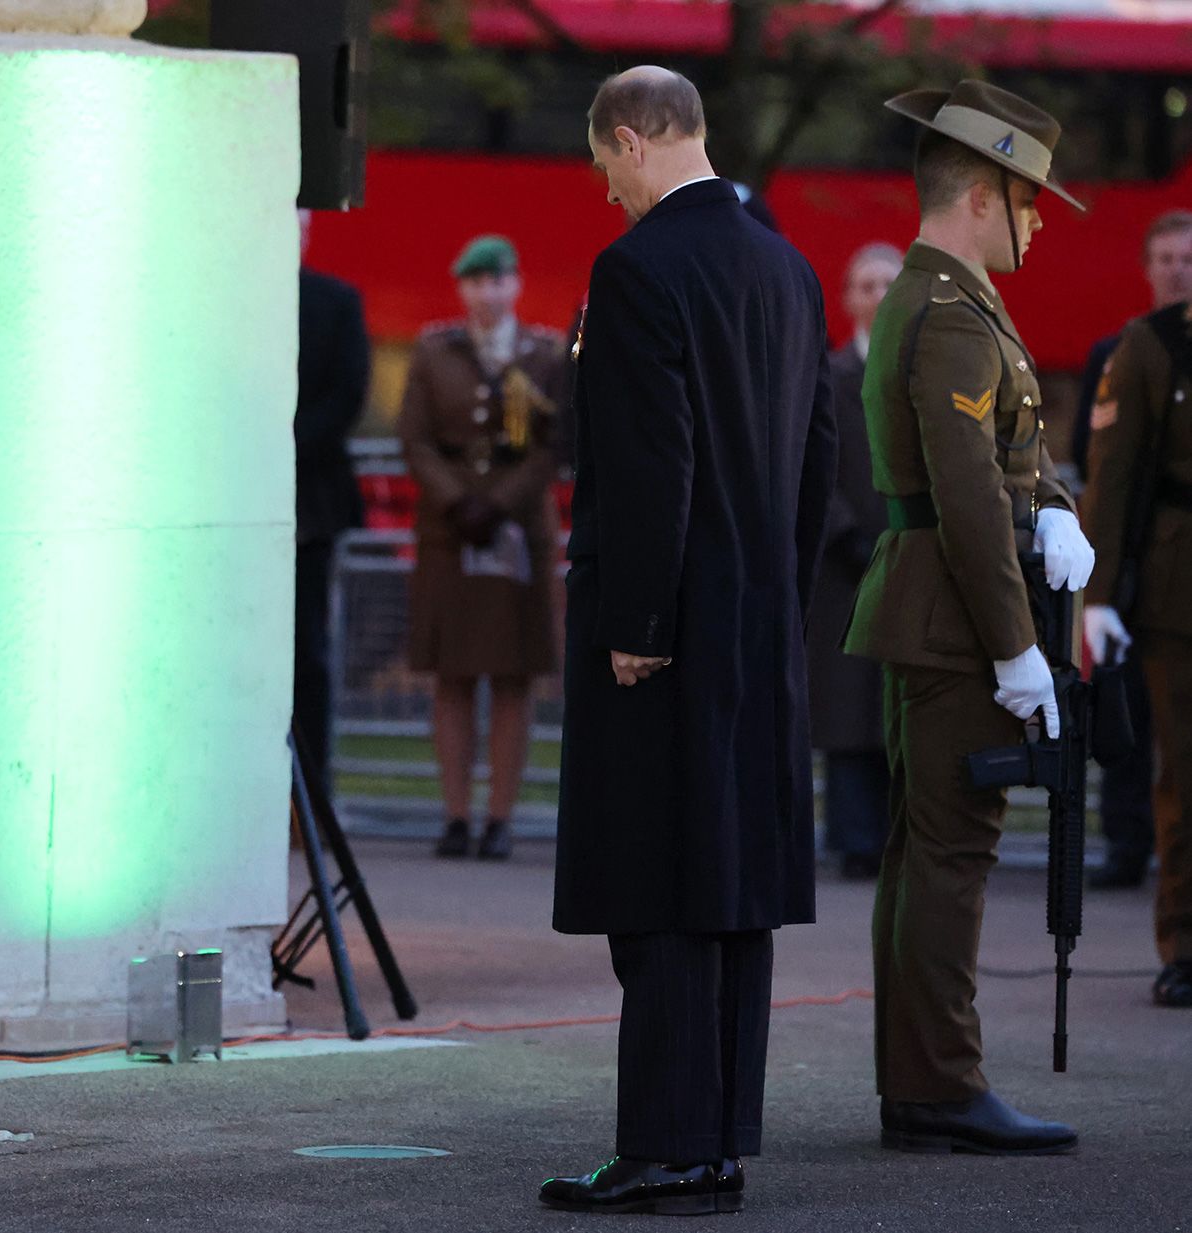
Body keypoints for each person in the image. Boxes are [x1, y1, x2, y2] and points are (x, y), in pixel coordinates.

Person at [542, 66, 836, 1216]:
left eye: (602, 163)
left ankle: (664, 1146)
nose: (604, 189)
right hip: (758, 629)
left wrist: (638, 627)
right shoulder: (787, 266)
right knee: (731, 891)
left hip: (664, 633)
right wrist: (779, 603)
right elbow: (817, 459)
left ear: (629, 137)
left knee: (656, 886)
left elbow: (646, 466)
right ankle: (715, 1143)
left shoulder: (636, 269)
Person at [842, 80, 1092, 1155]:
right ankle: (939, 1084)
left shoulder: (947, 301)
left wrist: (1056, 513)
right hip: (953, 626)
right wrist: (1016, 648)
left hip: (934, 616)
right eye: (1029, 200)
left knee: (924, 854)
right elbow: (965, 500)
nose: (1036, 221)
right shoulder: (945, 310)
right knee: (950, 855)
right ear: (984, 195)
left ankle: (922, 1083)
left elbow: (1005, 474)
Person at [397, 234, 562, 862]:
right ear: (460, 288)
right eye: (474, 281)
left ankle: (500, 819)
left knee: (514, 677)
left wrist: (498, 504)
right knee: (453, 677)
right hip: (450, 532)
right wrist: (457, 502)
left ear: (516, 285)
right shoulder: (434, 350)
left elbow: (553, 443)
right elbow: (415, 439)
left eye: (497, 280)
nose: (486, 293)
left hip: (519, 531)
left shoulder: (543, 354)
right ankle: (456, 815)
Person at [1067, 212, 1192, 887]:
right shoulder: (1125, 350)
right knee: (1140, 724)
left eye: (1188, 259)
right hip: (1156, 569)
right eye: (1166, 258)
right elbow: (1102, 473)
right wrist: (1101, 591)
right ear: (1147, 268)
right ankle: (1126, 846)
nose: (1178, 270)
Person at [809, 243, 902, 881]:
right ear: (847, 299)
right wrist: (849, 536)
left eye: (888, 284)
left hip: (913, 564)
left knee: (902, 708)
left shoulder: (925, 375)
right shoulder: (826, 375)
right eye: (865, 285)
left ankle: (904, 838)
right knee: (848, 712)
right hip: (844, 569)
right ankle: (855, 840)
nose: (877, 296)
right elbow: (812, 467)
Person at [294, 209, 371, 795]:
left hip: (310, 506)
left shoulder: (336, 302)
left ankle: (310, 795)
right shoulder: (228, 309)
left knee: (308, 653)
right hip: (246, 499)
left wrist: (280, 447)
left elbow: (348, 395)